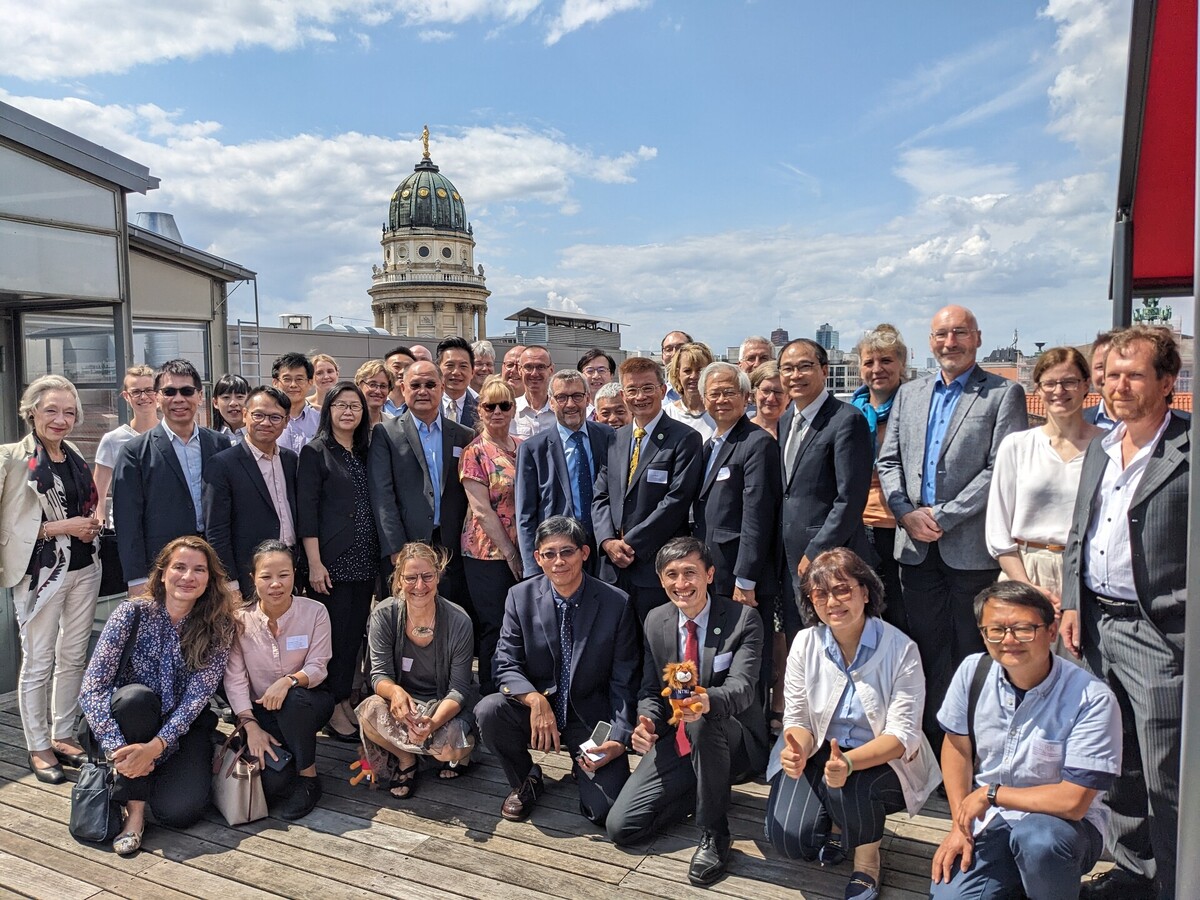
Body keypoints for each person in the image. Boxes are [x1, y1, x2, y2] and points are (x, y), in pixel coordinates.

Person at [1060, 325, 1188, 899]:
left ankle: (1180, 880)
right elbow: (1077, 532)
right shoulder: (1101, 446)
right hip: (1096, 626)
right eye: (1110, 374)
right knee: (1120, 762)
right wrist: (1070, 601)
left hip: (1158, 632)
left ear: (1167, 382)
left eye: (1133, 374)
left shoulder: (1189, 449)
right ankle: (1135, 873)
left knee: (1169, 773)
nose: (1119, 385)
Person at [876, 305, 1026, 752]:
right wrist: (904, 512)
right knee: (923, 651)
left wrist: (942, 515)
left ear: (977, 338)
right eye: (941, 334)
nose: (950, 342)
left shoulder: (1003, 394)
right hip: (915, 549)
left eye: (960, 333)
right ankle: (929, 749)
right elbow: (889, 462)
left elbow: (999, 469)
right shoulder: (910, 394)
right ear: (930, 341)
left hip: (969, 550)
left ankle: (975, 749)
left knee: (972, 654)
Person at [767, 548, 939, 900]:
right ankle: (838, 820)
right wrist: (796, 748)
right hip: (822, 752)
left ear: (865, 591)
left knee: (854, 787)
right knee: (789, 839)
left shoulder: (901, 648)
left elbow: (902, 734)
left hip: (882, 760)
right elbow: (798, 716)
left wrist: (848, 762)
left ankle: (867, 861)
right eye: (820, 593)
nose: (832, 601)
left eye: (842, 589)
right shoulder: (805, 642)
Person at [930, 582, 1121, 900]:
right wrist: (959, 826)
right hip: (991, 821)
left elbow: (1073, 803)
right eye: (996, 630)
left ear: (1051, 630)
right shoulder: (972, 672)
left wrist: (992, 794)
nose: (1008, 640)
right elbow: (957, 746)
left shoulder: (1092, 698)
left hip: (1061, 828)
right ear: (983, 633)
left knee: (1038, 841)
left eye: (1023, 629)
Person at [606, 538, 768, 886]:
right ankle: (704, 789)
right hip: (679, 738)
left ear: (710, 574)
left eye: (690, 573)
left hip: (732, 739)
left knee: (701, 719)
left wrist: (704, 700)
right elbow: (651, 688)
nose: (682, 584)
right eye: (672, 575)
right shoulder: (655, 620)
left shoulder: (743, 619)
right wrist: (646, 719)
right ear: (661, 580)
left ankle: (715, 832)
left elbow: (742, 689)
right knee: (622, 827)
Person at [78, 536, 238, 854]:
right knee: (138, 698)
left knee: (179, 814)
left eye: (199, 570)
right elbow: (92, 688)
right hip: (126, 723)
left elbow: (196, 699)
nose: (188, 577)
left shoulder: (219, 626)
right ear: (163, 573)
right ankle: (134, 814)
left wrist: (156, 747)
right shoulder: (131, 614)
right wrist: (118, 752)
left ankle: (153, 772)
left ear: (210, 579)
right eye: (179, 567)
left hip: (180, 728)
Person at [476, 516, 639, 824]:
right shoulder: (519, 596)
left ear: (584, 553)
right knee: (489, 709)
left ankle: (582, 765)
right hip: (538, 710)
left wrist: (618, 737)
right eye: (549, 554)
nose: (558, 561)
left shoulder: (616, 603)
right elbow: (504, 662)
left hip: (591, 717)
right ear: (537, 557)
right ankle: (526, 780)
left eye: (567, 552)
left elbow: (624, 678)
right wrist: (535, 700)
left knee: (605, 811)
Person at [1, 375, 103, 783]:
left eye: (68, 412)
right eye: (51, 411)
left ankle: (63, 732)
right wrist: (60, 528)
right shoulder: (12, 457)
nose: (61, 419)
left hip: (84, 567)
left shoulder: (74, 453)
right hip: (39, 572)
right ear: (31, 413)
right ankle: (37, 744)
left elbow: (83, 504)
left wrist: (88, 525)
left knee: (74, 655)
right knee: (39, 660)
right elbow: (17, 523)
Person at [691, 362, 781, 713]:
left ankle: (751, 742)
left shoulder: (756, 443)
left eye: (729, 392)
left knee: (746, 661)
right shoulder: (710, 444)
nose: (721, 400)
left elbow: (758, 515)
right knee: (720, 661)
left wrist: (747, 579)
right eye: (714, 393)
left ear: (746, 397)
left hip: (740, 579)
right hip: (713, 572)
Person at [986, 347, 1100, 621]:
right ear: (1038, 389)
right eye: (1050, 383)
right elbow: (998, 530)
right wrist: (1024, 584)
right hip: (1025, 568)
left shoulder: (1107, 446)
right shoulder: (1017, 446)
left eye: (1069, 382)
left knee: (1080, 662)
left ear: (1086, 385)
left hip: (1086, 572)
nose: (1059, 390)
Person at [225, 540, 334, 820]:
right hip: (261, 714)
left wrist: (288, 681)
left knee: (295, 700)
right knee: (274, 786)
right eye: (266, 576)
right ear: (253, 579)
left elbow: (318, 666)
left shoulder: (315, 612)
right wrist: (250, 726)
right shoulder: (240, 621)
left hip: (307, 703)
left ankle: (309, 777)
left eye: (284, 575)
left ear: (294, 575)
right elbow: (235, 680)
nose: (276, 584)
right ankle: (289, 759)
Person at [356, 543, 476, 798]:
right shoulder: (384, 614)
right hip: (404, 705)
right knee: (367, 713)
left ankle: (461, 752)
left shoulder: (459, 620)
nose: (419, 586)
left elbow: (458, 689)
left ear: (438, 576)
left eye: (427, 577)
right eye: (410, 578)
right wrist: (396, 692)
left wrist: (432, 723)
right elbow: (378, 675)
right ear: (399, 580)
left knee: (449, 750)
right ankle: (406, 759)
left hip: (443, 705)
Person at [592, 356, 704, 621]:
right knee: (617, 647)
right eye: (632, 390)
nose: (639, 396)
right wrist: (607, 541)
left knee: (655, 649)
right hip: (613, 569)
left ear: (663, 391)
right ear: (623, 393)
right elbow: (601, 496)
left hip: (655, 565)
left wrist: (629, 544)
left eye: (647, 388)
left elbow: (676, 501)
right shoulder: (615, 439)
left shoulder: (685, 439)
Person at [299, 381, 380, 741]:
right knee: (331, 636)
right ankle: (331, 705)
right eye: (341, 405)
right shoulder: (315, 452)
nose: (348, 412)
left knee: (352, 635)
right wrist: (314, 563)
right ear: (328, 410)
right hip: (331, 562)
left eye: (355, 406)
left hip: (365, 558)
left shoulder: (366, 450)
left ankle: (344, 697)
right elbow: (308, 512)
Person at [113, 358, 232, 590]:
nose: (179, 399)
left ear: (200, 396)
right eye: (169, 391)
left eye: (187, 391)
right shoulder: (134, 452)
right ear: (157, 398)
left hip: (215, 568)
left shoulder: (220, 444)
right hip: (161, 571)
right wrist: (137, 579)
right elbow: (128, 522)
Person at [368, 360, 473, 604]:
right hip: (406, 545)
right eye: (415, 385)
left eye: (430, 384)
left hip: (451, 546)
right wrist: (396, 548)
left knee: (451, 615)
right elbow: (382, 495)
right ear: (403, 388)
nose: (422, 391)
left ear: (442, 387)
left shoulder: (463, 434)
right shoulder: (386, 433)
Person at [776, 338, 874, 597]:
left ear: (824, 370)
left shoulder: (847, 420)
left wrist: (815, 551)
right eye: (787, 368)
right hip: (789, 557)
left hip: (829, 558)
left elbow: (849, 500)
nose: (795, 375)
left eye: (804, 366)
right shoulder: (786, 419)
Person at [515, 369, 615, 578]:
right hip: (559, 556)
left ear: (588, 399)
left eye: (577, 396)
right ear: (551, 402)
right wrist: (533, 569)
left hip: (604, 551)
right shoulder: (533, 449)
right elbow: (525, 514)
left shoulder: (609, 437)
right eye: (562, 397)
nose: (570, 404)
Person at [202, 386, 299, 599]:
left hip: (291, 568)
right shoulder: (222, 464)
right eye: (258, 415)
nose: (266, 422)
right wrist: (229, 582)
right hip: (249, 574)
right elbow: (217, 531)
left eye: (275, 417)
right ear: (245, 415)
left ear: (286, 421)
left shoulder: (291, 460)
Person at [459, 375, 523, 696]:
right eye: (489, 406)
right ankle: (491, 687)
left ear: (513, 409)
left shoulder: (524, 447)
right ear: (479, 411)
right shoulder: (474, 452)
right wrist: (510, 553)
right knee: (494, 624)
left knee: (520, 624)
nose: (497, 412)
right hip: (487, 554)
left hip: (523, 551)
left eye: (504, 405)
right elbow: (481, 510)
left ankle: (518, 683)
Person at [851, 325, 909, 633]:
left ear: (901, 364)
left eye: (886, 361)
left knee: (901, 618)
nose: (877, 369)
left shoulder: (915, 408)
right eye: (869, 362)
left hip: (901, 529)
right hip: (861, 527)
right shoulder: (850, 414)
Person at [93, 365, 159, 521]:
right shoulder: (112, 440)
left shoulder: (171, 435)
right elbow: (98, 495)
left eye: (149, 390)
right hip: (125, 528)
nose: (143, 397)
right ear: (126, 396)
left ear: (158, 393)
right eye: (136, 392)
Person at [664, 342, 717, 441]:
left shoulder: (719, 413)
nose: (694, 376)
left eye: (700, 370)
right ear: (677, 373)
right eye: (687, 371)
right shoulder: (666, 414)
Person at [272, 352, 319, 454]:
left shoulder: (320, 421)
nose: (293, 385)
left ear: (310, 383)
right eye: (287, 379)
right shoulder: (266, 421)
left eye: (299, 379)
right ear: (275, 382)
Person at [512, 346, 556, 439]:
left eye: (540, 367)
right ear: (520, 370)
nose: (534, 373)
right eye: (528, 367)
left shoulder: (560, 411)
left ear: (551, 370)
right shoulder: (509, 410)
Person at [438, 336, 478, 428]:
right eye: (450, 365)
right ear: (438, 369)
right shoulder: (426, 405)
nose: (456, 372)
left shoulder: (482, 410)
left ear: (472, 372)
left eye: (463, 366)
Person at [1084, 329, 1118, 430]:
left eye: (1115, 366)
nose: (1108, 374)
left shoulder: (1157, 425)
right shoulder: (1076, 424)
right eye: (1100, 367)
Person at [737, 336, 773, 418]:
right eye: (751, 358)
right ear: (740, 365)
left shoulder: (784, 399)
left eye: (764, 358)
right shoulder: (731, 398)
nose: (757, 364)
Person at [749, 361, 785, 439]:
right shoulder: (739, 431)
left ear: (789, 396)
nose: (771, 398)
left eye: (778, 392)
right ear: (754, 392)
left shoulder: (795, 433)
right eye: (765, 391)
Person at [210, 373, 250, 443]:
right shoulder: (208, 439)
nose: (233, 403)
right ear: (215, 403)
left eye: (240, 397)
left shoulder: (261, 436)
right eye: (226, 397)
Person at [355, 360, 394, 428]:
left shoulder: (393, 423)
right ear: (359, 385)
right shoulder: (350, 421)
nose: (378, 391)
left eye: (383, 386)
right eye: (372, 385)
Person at [660, 330, 692, 403]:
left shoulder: (709, 393)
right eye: (668, 349)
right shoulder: (656, 398)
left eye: (680, 348)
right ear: (662, 357)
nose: (674, 354)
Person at [383, 346, 415, 417]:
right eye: (396, 367)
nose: (402, 371)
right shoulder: (376, 401)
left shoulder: (418, 405)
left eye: (407, 367)